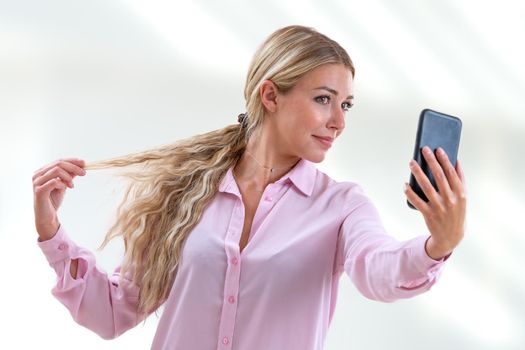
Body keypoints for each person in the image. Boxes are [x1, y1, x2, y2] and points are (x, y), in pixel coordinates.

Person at [32, 25, 466, 350]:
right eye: (323, 99)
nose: (339, 121)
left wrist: (436, 245)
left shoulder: (342, 207)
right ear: (270, 96)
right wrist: (53, 233)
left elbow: (377, 269)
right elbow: (112, 312)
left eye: (346, 104)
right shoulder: (188, 193)